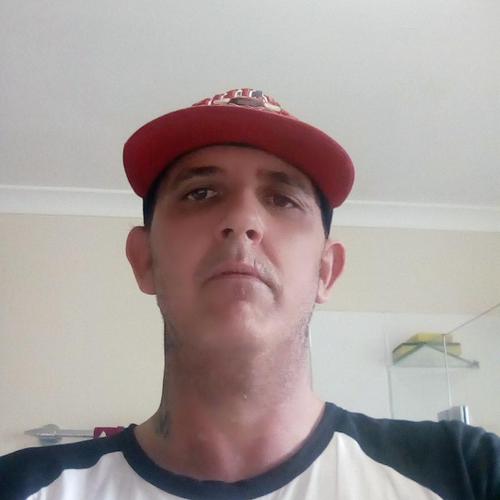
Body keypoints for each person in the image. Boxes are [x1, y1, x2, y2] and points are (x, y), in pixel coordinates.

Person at [1, 88, 498, 500]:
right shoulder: (21, 486)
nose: (243, 220)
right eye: (200, 193)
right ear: (144, 258)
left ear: (326, 272)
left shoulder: (465, 471)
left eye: (282, 198)